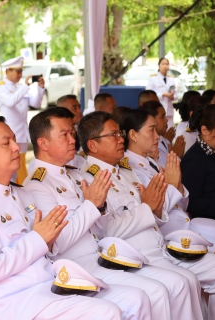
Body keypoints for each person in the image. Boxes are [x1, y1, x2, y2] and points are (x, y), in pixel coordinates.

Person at [0, 116, 150, 319]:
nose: (16, 147)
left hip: (52, 283)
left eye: (14, 139)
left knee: (136, 300)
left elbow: (49, 245)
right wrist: (38, 238)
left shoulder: (21, 194)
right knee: (108, 312)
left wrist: (47, 239)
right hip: (20, 299)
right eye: (6, 143)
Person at [24, 107, 198, 320]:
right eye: (65, 134)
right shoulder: (37, 185)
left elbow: (102, 226)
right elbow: (57, 242)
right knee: (155, 292)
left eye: (72, 133)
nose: (72, 139)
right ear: (43, 143)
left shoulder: (76, 175)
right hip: (78, 267)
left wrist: (101, 208)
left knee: (178, 284)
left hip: (106, 257)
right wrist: (92, 206)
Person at [77, 111, 215, 320]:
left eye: (119, 133)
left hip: (159, 245)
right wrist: (151, 205)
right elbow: (107, 230)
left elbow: (158, 212)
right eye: (113, 135)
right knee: (182, 282)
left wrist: (167, 193)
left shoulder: (123, 171)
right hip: (133, 256)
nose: (120, 139)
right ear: (93, 145)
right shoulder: (90, 178)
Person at [0, 56, 45, 184]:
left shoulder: (20, 88)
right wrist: (25, 86)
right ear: (8, 71)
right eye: (17, 71)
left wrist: (40, 88)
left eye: (21, 71)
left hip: (22, 132)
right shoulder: (0, 87)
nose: (20, 74)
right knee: (13, 166)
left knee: (21, 165)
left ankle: (23, 187)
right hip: (10, 134)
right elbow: (10, 102)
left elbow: (36, 103)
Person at [141, 101, 185, 165]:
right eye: (162, 117)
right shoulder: (148, 146)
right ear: (151, 119)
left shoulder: (164, 139)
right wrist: (175, 156)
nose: (166, 120)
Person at [146, 58, 176, 127]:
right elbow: (148, 94)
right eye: (163, 64)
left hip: (169, 110)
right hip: (158, 109)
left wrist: (172, 96)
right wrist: (162, 94)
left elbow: (176, 95)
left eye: (167, 64)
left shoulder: (171, 79)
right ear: (159, 65)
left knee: (170, 131)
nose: (165, 66)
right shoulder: (153, 79)